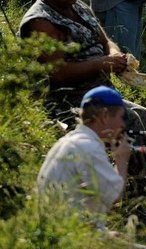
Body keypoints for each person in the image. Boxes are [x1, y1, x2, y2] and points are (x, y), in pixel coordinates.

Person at [20, 0, 146, 220]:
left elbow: (105, 40)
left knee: (144, 115)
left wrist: (117, 57)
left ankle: (135, 190)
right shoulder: (40, 22)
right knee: (131, 123)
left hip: (100, 93)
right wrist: (102, 63)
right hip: (67, 101)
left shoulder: (79, 6)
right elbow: (58, 73)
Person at [37, 86, 131, 228]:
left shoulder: (68, 141)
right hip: (70, 239)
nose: (123, 124)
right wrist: (121, 159)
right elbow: (114, 197)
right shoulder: (89, 147)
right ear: (105, 116)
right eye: (121, 117)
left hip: (55, 231)